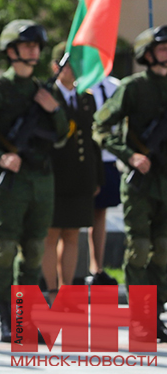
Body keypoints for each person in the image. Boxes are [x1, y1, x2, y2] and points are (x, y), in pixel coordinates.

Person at [0, 20, 68, 343]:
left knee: (34, 250)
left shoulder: (45, 91)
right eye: (27, 45)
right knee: (4, 249)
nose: (34, 51)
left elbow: (62, 134)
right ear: (11, 51)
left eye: (37, 46)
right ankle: (6, 315)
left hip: (42, 180)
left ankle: (27, 317)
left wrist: (55, 109)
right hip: (11, 184)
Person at [94, 25, 167, 342]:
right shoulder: (133, 87)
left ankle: (156, 314)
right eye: (163, 48)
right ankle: (141, 317)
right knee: (138, 248)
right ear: (147, 54)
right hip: (140, 183)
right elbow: (100, 127)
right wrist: (129, 155)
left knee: (164, 251)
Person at [42, 42, 103, 304]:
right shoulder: (47, 94)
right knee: (51, 234)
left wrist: (96, 176)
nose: (75, 70)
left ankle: (67, 290)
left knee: (72, 234)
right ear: (57, 67)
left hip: (80, 176)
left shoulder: (85, 98)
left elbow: (91, 141)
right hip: (55, 175)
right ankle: (52, 290)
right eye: (70, 64)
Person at [86, 73, 121, 286]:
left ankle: (96, 268)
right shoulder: (81, 83)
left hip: (107, 158)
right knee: (68, 221)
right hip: (83, 160)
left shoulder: (115, 86)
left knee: (100, 212)